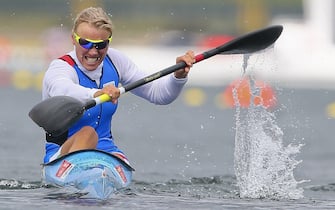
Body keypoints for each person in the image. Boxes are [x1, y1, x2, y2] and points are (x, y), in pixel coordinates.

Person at [42, 7, 195, 165]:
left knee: (124, 163)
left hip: (106, 151)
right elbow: (62, 90)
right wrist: (97, 93)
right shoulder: (61, 67)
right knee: (87, 133)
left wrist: (178, 76)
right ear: (73, 39)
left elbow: (159, 94)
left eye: (101, 45)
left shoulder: (115, 60)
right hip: (61, 155)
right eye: (85, 43)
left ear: (108, 42)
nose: (93, 52)